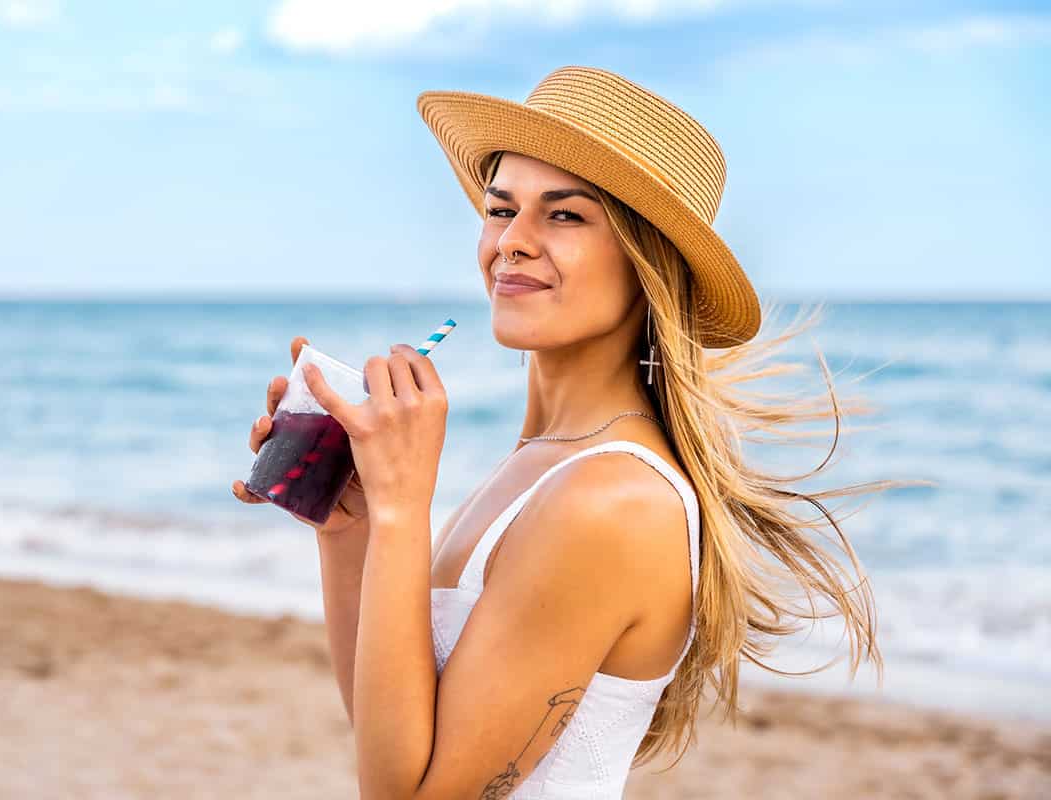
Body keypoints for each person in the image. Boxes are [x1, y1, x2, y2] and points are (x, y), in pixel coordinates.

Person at [233, 65, 908, 799]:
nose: (512, 242)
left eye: (565, 215)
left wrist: (404, 508)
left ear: (649, 265)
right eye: (500, 209)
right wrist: (352, 527)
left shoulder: (611, 500)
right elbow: (391, 739)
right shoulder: (544, 463)